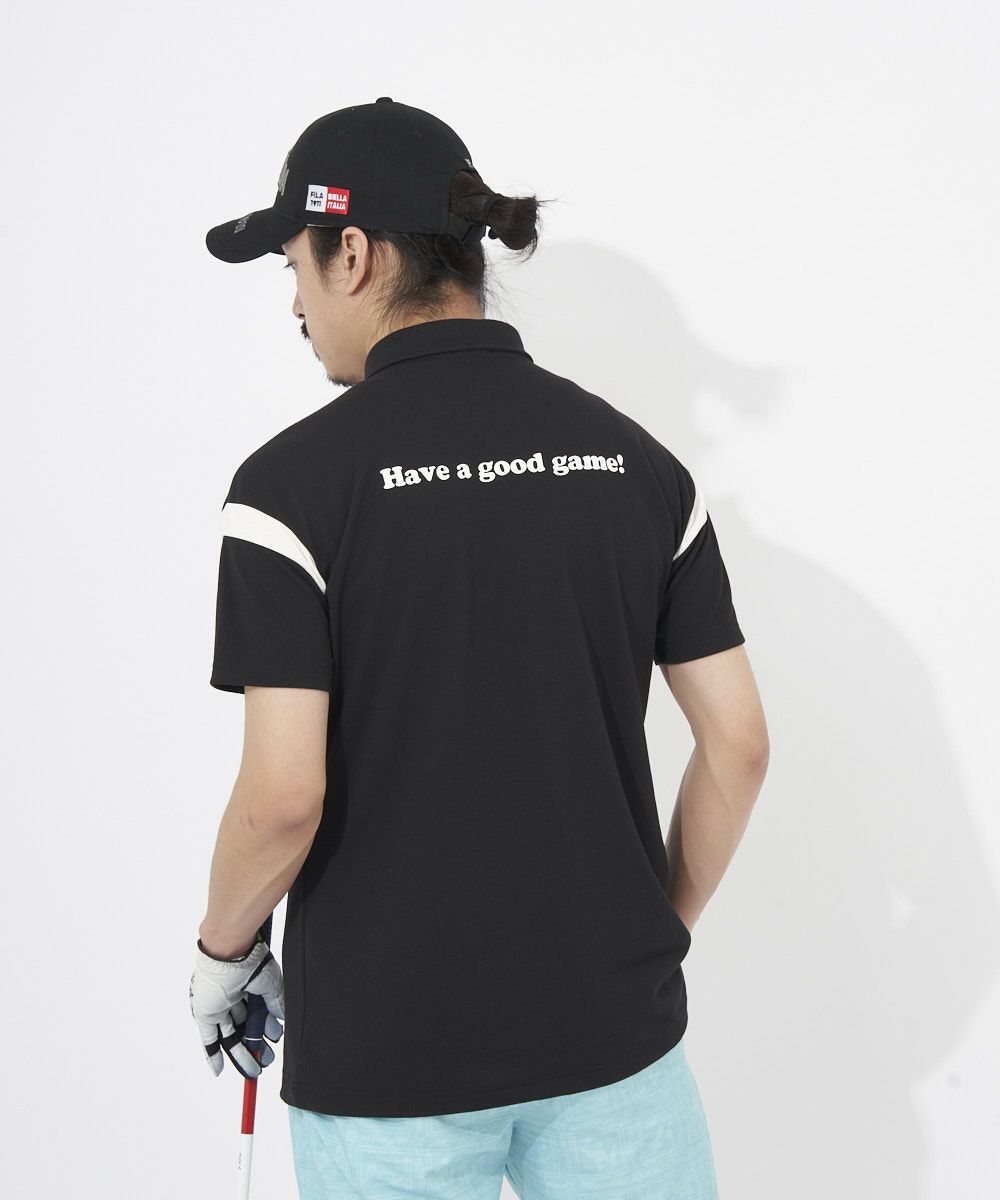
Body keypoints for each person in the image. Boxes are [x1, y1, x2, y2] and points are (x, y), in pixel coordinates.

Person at [188, 97, 769, 1200]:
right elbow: (738, 742)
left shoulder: (288, 491)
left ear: (352, 254)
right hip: (617, 1049)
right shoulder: (639, 465)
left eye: (295, 267)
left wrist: (223, 957)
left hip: (388, 1068)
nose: (297, 305)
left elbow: (282, 799)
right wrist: (648, 938)